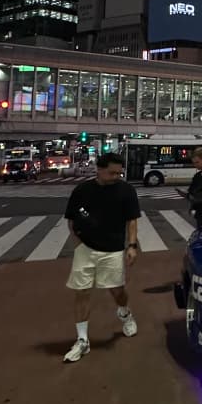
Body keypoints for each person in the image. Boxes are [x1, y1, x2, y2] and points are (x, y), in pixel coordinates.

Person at [62, 152, 141, 364]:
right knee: (82, 292)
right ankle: (82, 340)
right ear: (99, 169)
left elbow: (132, 220)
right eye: (111, 172)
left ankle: (124, 312)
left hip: (113, 248)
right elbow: (71, 219)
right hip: (85, 248)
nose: (116, 176)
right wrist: (79, 243)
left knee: (116, 290)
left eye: (119, 172)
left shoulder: (126, 190)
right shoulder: (82, 190)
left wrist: (131, 245)